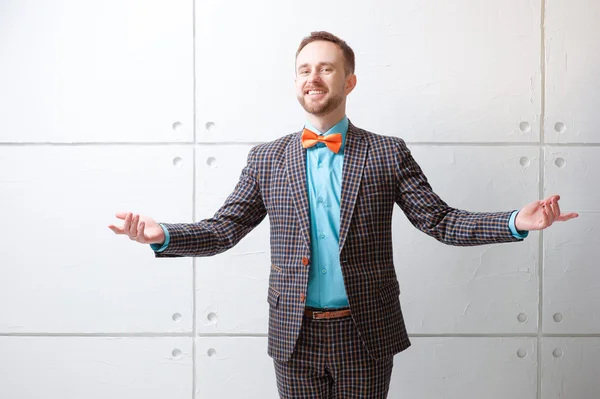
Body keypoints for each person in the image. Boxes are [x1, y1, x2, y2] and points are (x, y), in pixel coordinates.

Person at [109, 31, 578, 398]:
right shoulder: (266, 159)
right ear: (296, 82)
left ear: (348, 80)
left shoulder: (386, 153)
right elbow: (224, 229)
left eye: (326, 68)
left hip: (365, 328)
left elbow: (440, 221)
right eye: (304, 70)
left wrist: (517, 221)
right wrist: (162, 234)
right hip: (294, 333)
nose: (313, 77)